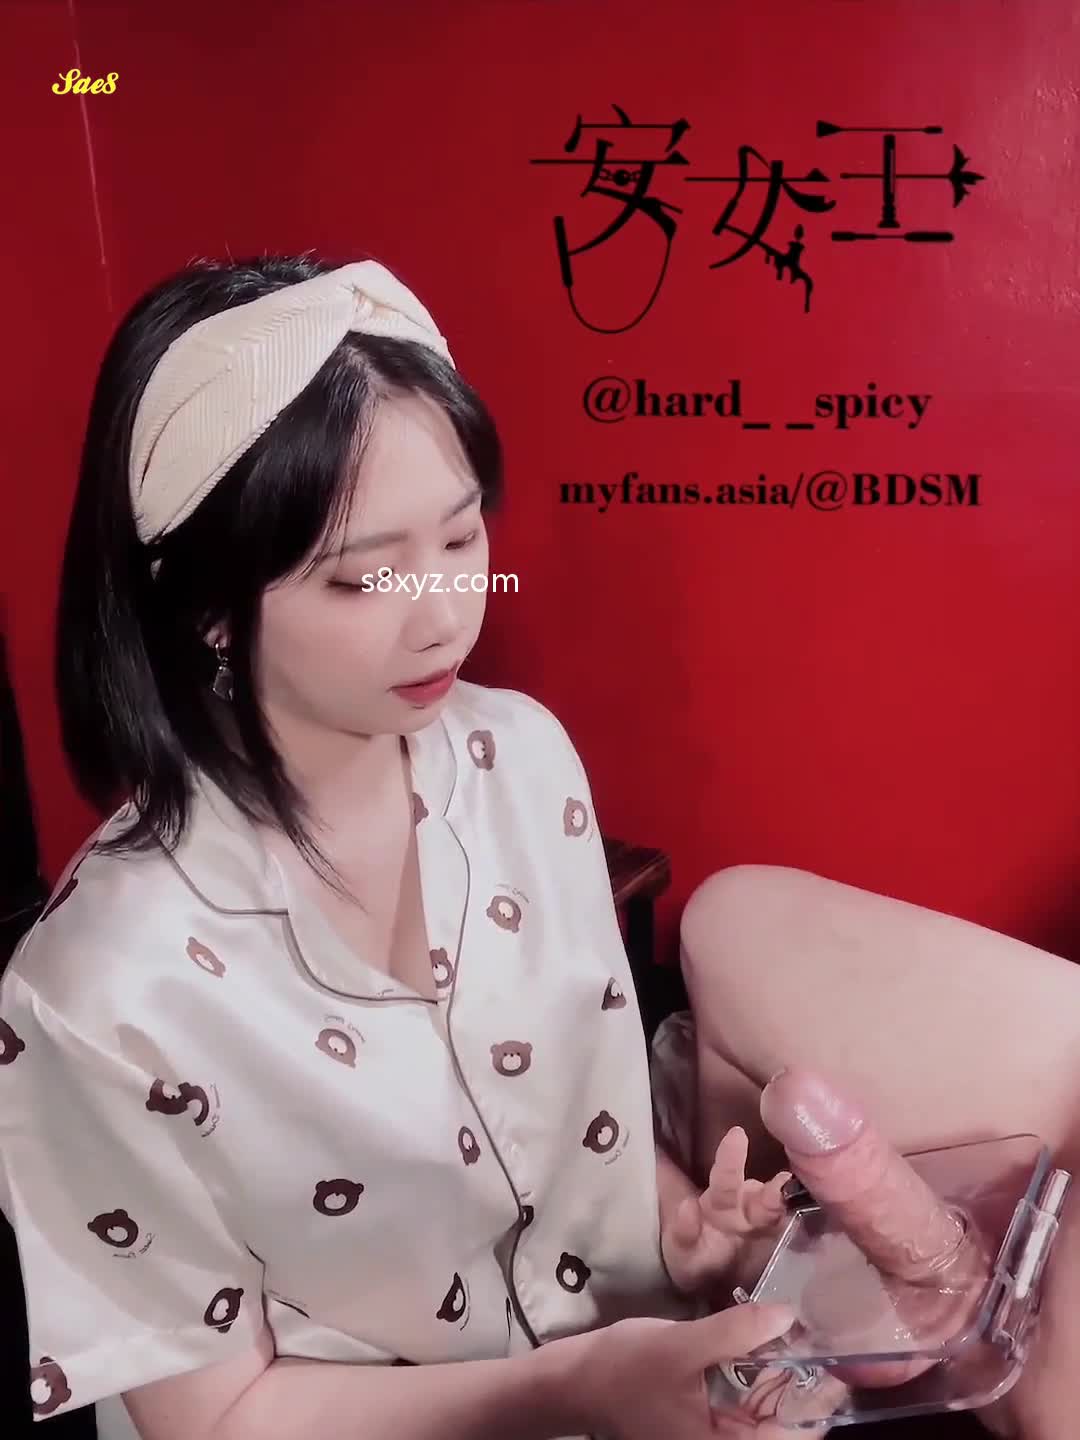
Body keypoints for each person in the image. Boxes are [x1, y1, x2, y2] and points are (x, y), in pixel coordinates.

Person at [0, 251, 1053, 1440]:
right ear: (204, 608)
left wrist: (680, 1230)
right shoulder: (98, 996)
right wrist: (577, 1388)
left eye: (461, 542)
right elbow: (216, 1416)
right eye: (365, 578)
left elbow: (569, 1120)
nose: (446, 614)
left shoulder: (521, 762)